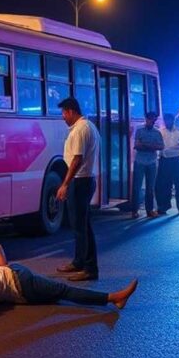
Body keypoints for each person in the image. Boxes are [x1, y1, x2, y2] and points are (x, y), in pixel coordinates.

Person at [0, 244, 138, 325]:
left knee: (59, 292)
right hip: (22, 283)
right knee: (64, 291)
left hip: (20, 282)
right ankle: (112, 298)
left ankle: (111, 298)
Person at [55, 97, 101, 281]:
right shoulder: (88, 126)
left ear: (71, 111)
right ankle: (79, 261)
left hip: (80, 182)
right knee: (81, 225)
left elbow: (77, 159)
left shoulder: (81, 129)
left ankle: (90, 269)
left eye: (64, 113)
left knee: (81, 228)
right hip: (84, 180)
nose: (63, 117)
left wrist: (65, 184)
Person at [131, 112, 164, 218]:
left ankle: (149, 210)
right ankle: (134, 211)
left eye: (153, 120)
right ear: (146, 119)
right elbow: (137, 145)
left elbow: (161, 146)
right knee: (136, 187)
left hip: (152, 162)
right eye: (150, 119)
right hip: (140, 161)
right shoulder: (139, 130)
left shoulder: (157, 132)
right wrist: (152, 146)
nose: (152, 121)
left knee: (150, 188)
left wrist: (145, 144)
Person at [156, 113, 179, 215]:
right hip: (164, 160)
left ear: (173, 121)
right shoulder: (160, 132)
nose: (168, 122)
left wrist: (169, 149)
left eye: (170, 120)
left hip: (177, 160)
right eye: (166, 120)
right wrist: (175, 148)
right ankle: (165, 206)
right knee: (165, 184)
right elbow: (159, 146)